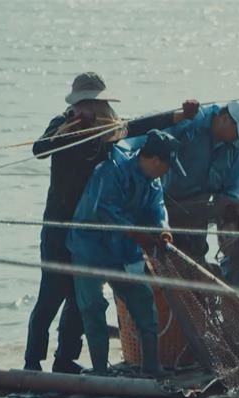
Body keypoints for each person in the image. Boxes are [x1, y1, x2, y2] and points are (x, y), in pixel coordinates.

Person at [24, 71, 198, 373]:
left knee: (79, 301)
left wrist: (181, 114)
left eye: (94, 103)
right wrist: (71, 127)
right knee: (51, 294)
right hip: (59, 227)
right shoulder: (60, 124)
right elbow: (39, 149)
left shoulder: (109, 129)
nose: (88, 109)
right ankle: (32, 359)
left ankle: (65, 359)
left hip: (89, 231)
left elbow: (143, 125)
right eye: (83, 104)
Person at [67, 130, 180, 376]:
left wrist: (163, 231)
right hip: (89, 248)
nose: (167, 171)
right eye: (167, 165)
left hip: (123, 251)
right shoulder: (110, 171)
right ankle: (99, 370)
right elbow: (105, 210)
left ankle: (151, 366)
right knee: (93, 307)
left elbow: (158, 208)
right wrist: (137, 234)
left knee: (143, 300)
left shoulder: (154, 181)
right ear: (154, 161)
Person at [162, 99, 239, 262]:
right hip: (166, 206)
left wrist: (229, 226)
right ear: (225, 118)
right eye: (237, 132)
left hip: (198, 215)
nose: (237, 139)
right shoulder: (190, 124)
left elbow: (231, 190)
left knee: (195, 260)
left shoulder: (233, 149)